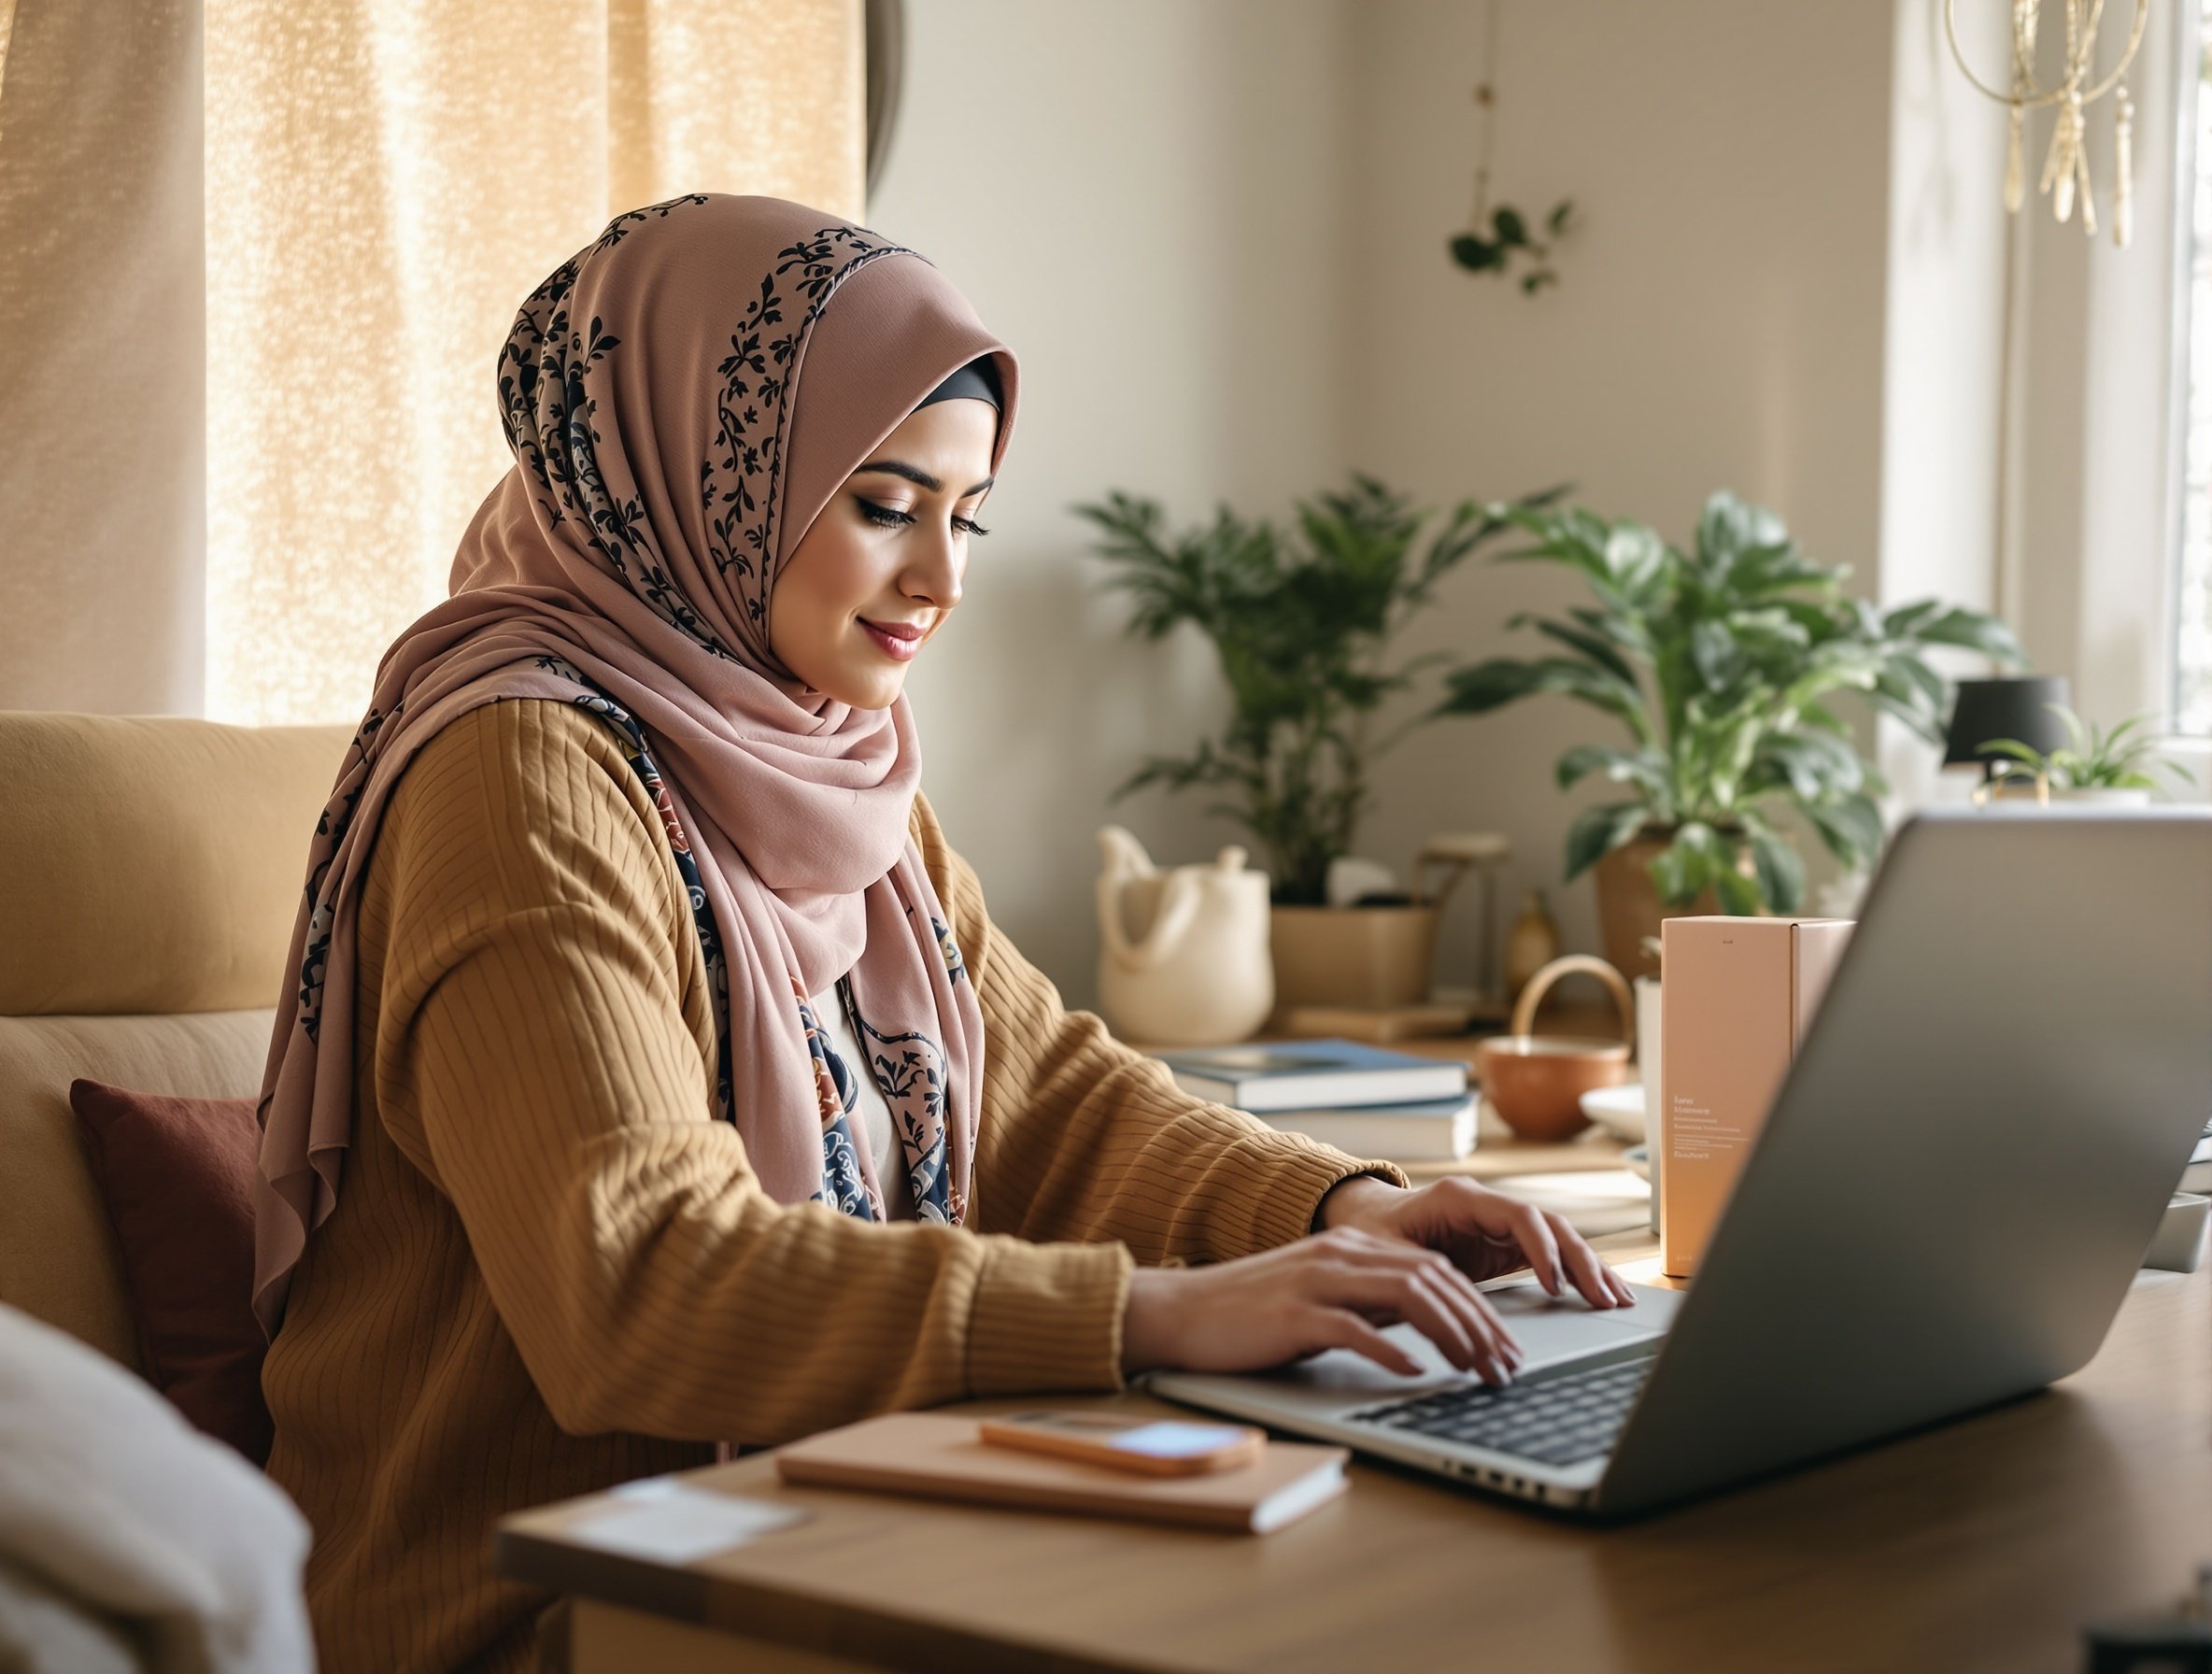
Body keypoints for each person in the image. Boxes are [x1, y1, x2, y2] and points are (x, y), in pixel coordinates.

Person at [248, 192, 1632, 1674]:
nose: (943, 581)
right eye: (885, 503)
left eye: (966, 517)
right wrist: (1153, 1314)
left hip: (836, 1511)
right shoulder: (520, 771)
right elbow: (635, 1283)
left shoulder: (833, 768)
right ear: (700, 472)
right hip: (545, 1605)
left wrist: (1343, 1212)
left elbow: (1052, 1099)